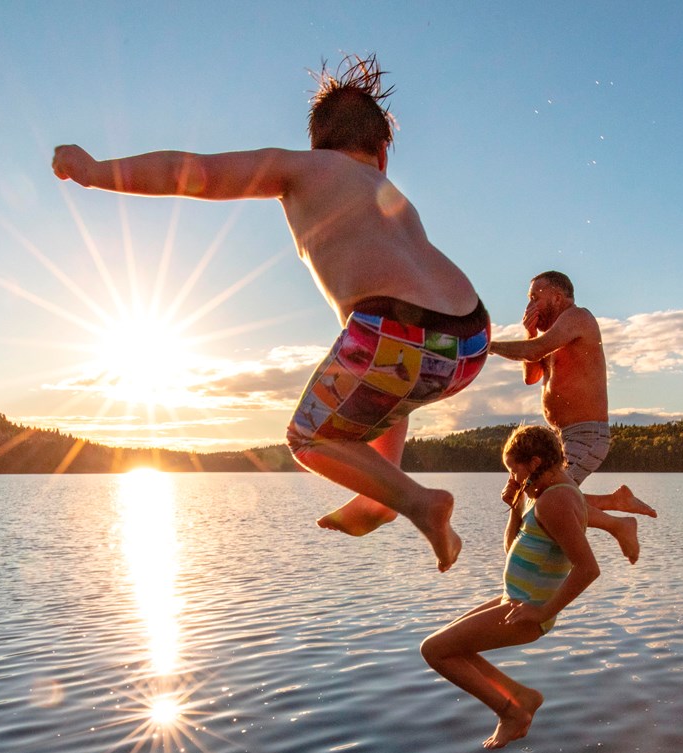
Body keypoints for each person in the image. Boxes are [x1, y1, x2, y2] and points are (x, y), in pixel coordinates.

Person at [51, 56, 488, 571]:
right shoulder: (395, 199)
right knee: (394, 382)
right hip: (469, 338)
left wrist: (96, 172)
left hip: (397, 331)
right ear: (383, 152)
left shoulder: (302, 168)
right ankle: (378, 496)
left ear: (317, 145)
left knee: (309, 436)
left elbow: (196, 173)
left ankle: (420, 503)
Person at [421, 425, 599, 749]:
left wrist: (542, 611)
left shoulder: (555, 501)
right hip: (514, 600)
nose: (514, 479)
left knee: (434, 650)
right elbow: (511, 548)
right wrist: (514, 506)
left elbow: (588, 569)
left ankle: (512, 711)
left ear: (534, 462)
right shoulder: (546, 494)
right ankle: (520, 697)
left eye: (515, 471)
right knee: (448, 645)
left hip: (527, 611)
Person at [487, 271, 655, 563]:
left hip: (588, 434)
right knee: (543, 496)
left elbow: (534, 350)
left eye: (534, 298)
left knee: (549, 498)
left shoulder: (579, 318)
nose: (530, 306)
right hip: (563, 437)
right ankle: (616, 503)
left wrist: (487, 346)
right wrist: (529, 332)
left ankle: (619, 524)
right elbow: (532, 375)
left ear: (557, 297)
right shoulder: (549, 336)